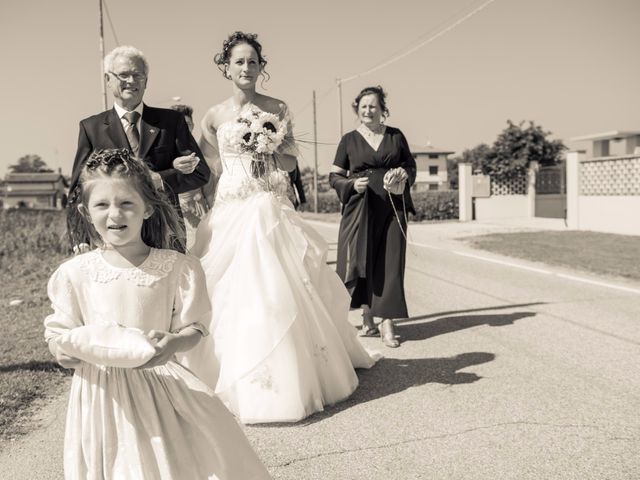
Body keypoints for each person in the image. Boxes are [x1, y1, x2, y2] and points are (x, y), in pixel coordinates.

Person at [183, 31, 378, 424]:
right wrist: (191, 196)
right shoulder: (213, 115)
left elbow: (290, 164)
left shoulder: (277, 107)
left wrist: (268, 147)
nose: (246, 68)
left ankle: (295, 372)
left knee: (277, 284)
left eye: (253, 61)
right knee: (225, 287)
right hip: (228, 205)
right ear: (226, 67)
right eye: (239, 61)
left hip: (267, 203)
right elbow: (208, 164)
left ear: (261, 67)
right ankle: (222, 369)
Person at [44, 148, 271, 479]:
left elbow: (195, 327)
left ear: (147, 208)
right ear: (85, 211)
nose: (114, 214)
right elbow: (58, 332)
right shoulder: (73, 274)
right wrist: (61, 351)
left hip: (161, 389)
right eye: (102, 205)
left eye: (126, 203)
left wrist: (172, 344)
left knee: (167, 465)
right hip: (103, 396)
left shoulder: (176, 268)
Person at [67, 46, 210, 251]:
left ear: (146, 81)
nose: (132, 81)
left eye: (138, 75)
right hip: (113, 233)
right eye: (124, 75)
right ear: (108, 80)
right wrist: (80, 238)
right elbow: (78, 189)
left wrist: (160, 179)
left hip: (166, 232)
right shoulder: (91, 128)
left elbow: (200, 173)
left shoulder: (171, 122)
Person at [329, 86, 416, 348]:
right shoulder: (348, 140)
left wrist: (402, 176)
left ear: (382, 109)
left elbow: (410, 167)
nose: (368, 110)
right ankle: (367, 312)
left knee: (390, 262)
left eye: (373, 106)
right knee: (361, 261)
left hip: (393, 205)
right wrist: (350, 186)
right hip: (360, 207)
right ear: (358, 108)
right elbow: (334, 177)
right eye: (364, 106)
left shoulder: (396, 136)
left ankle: (387, 321)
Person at [171, 103, 214, 250]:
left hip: (200, 215)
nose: (184, 128)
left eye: (187, 124)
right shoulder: (165, 155)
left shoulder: (201, 153)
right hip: (175, 216)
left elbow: (209, 191)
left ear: (193, 125)